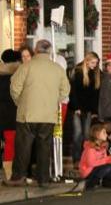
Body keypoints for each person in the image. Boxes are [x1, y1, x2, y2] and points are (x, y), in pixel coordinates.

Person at [4, 40, 70, 187]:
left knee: (23, 147)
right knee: (44, 147)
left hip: (27, 113)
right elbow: (65, 91)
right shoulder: (57, 69)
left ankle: (18, 177)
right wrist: (54, 101)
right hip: (48, 115)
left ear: (35, 50)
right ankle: (43, 179)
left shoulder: (27, 66)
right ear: (49, 51)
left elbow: (14, 87)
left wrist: (20, 102)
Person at [69, 52, 101, 165]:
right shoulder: (78, 72)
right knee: (78, 134)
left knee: (87, 135)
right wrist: (76, 107)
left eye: (96, 63)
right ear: (86, 61)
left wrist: (94, 111)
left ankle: (85, 158)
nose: (95, 65)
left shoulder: (96, 74)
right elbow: (73, 92)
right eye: (93, 62)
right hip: (77, 108)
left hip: (88, 109)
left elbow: (95, 95)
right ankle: (76, 158)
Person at [0, 50, 21, 180]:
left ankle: (8, 172)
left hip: (3, 115)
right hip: (14, 115)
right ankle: (10, 174)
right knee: (13, 144)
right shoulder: (17, 76)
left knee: (8, 143)